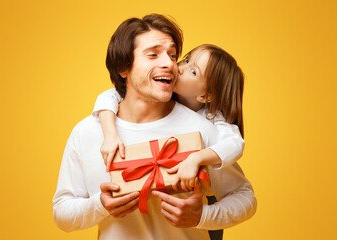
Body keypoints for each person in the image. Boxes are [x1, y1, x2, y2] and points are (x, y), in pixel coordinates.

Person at [53, 14, 256, 240]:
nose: (169, 64)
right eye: (153, 54)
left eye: (172, 55)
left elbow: (245, 197)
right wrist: (99, 205)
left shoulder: (202, 129)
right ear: (124, 68)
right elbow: (62, 212)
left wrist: (202, 216)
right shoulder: (88, 131)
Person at [94, 44, 245, 192]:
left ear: (205, 96)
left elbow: (235, 144)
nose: (180, 68)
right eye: (186, 60)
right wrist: (110, 135)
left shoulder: (211, 119)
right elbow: (110, 95)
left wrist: (196, 159)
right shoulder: (161, 92)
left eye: (193, 71)